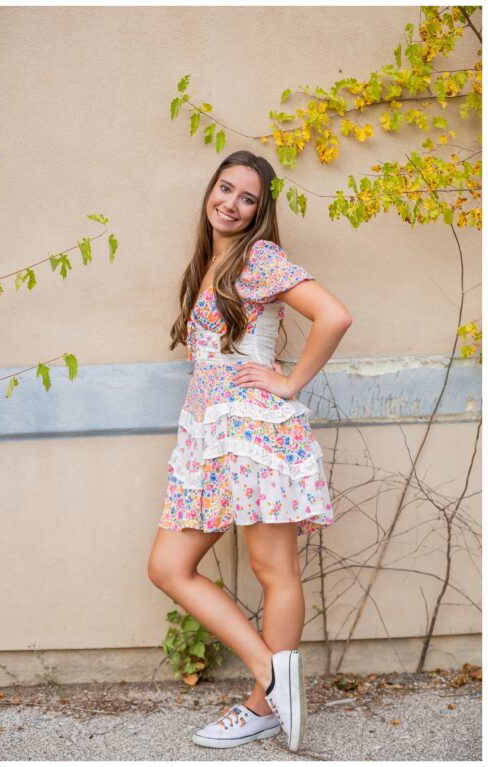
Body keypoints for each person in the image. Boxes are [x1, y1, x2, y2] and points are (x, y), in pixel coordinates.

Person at [147, 150, 351, 752]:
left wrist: (289, 383)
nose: (231, 204)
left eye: (247, 198)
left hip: (255, 431)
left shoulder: (257, 258)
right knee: (168, 567)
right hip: (210, 436)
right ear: (210, 190)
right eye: (225, 188)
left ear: (260, 211)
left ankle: (263, 705)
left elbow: (334, 316)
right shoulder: (209, 262)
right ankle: (271, 673)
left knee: (274, 572)